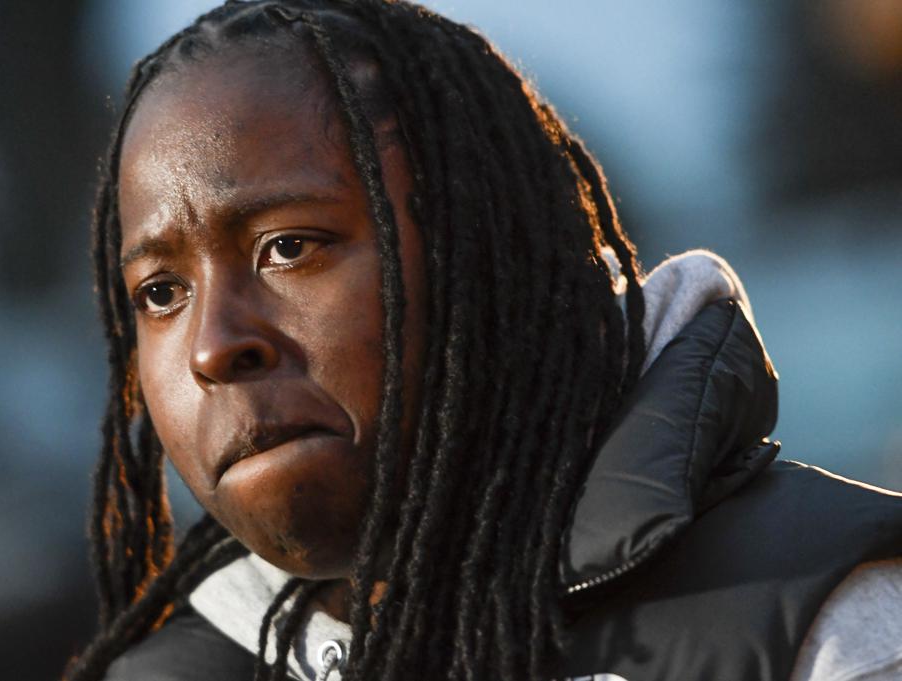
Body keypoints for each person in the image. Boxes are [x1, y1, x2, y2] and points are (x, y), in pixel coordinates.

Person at [63, 2, 902, 680]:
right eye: (160, 292)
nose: (214, 346)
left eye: (288, 246)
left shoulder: (823, 618)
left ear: (487, 251)